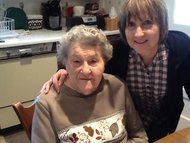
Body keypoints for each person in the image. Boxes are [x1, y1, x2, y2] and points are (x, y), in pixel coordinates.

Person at [41, 0, 190, 142]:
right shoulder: (118, 51)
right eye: (131, 24)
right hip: (125, 126)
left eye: (147, 23)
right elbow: (87, 66)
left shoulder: (181, 48)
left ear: (162, 26)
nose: (138, 34)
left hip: (163, 124)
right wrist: (64, 72)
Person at [32, 25, 148, 143]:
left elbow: (139, 135)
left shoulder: (118, 87)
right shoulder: (46, 104)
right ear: (65, 63)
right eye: (77, 61)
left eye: (93, 61)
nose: (86, 70)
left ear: (104, 62)